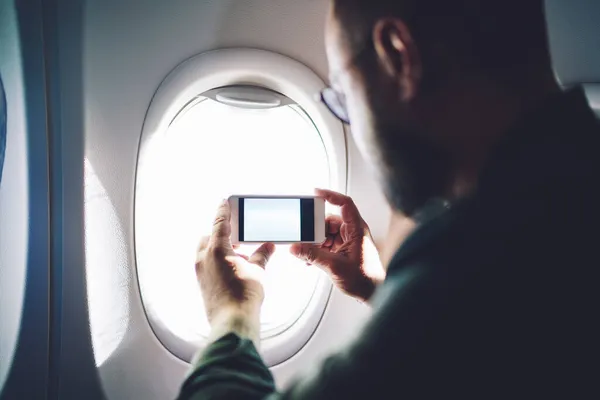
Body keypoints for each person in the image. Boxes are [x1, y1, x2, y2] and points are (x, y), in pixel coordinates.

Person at [178, 0, 600, 398]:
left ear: (398, 57)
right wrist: (382, 291)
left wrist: (231, 316)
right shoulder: (564, 199)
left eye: (343, 96)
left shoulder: (466, 268)